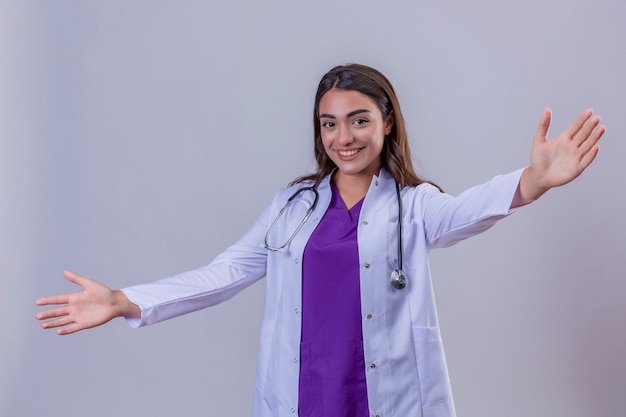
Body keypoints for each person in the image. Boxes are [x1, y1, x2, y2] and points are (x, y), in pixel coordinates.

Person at [36, 64, 605, 417]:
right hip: (305, 394)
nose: (343, 137)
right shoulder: (292, 207)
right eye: (329, 123)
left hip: (381, 394)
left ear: (386, 123)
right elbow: (225, 272)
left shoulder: (414, 205)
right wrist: (124, 300)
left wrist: (533, 181)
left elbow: (468, 212)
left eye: (358, 120)